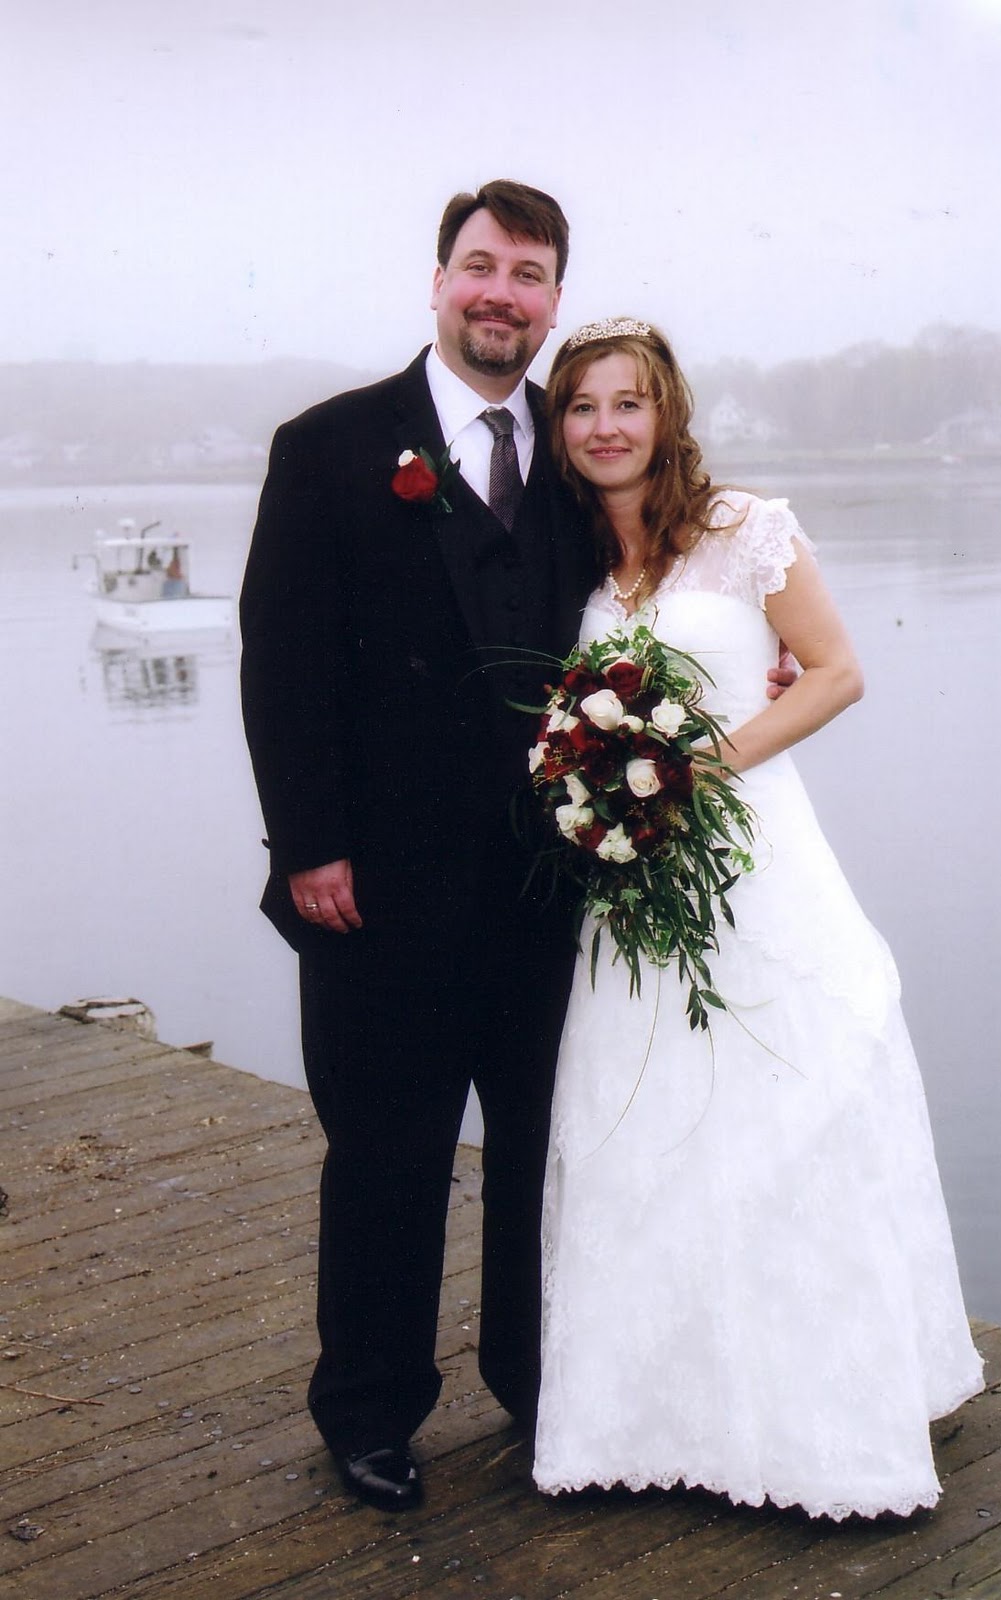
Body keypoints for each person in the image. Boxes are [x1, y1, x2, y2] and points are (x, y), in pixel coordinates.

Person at [240, 189, 793, 1514]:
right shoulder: (327, 447)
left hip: (556, 892)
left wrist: (740, 665)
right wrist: (310, 845)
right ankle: (369, 1415)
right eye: (479, 267)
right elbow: (283, 662)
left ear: (550, 299)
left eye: (528, 274)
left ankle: (540, 1390)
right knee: (384, 1155)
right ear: (438, 282)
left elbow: (654, 593)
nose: (501, 293)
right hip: (371, 890)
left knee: (549, 1151)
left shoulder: (573, 454)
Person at [532, 318, 984, 1520]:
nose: (607, 426)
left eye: (629, 403)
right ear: (561, 426)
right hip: (633, 892)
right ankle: (657, 1420)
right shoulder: (569, 553)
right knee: (646, 1127)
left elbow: (835, 670)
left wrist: (699, 770)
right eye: (583, 406)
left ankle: (816, 1424)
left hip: (752, 858)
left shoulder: (744, 530)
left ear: (666, 414)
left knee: (787, 1114)